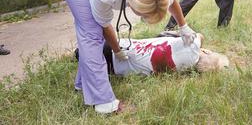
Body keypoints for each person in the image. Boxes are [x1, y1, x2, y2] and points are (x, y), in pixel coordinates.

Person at [54, 0, 196, 114]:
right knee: (90, 31)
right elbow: (104, 26)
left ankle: (83, 84)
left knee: (92, 29)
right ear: (131, 4)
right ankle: (104, 103)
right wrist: (117, 50)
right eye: (144, 16)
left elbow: (171, 0)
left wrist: (183, 26)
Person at [75, 33, 229, 76]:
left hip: (117, 47)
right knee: (81, 55)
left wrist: (200, 45)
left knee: (84, 48)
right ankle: (79, 56)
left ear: (207, 51)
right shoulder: (183, 71)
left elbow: (200, 36)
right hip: (113, 70)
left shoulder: (194, 44)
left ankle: (79, 53)